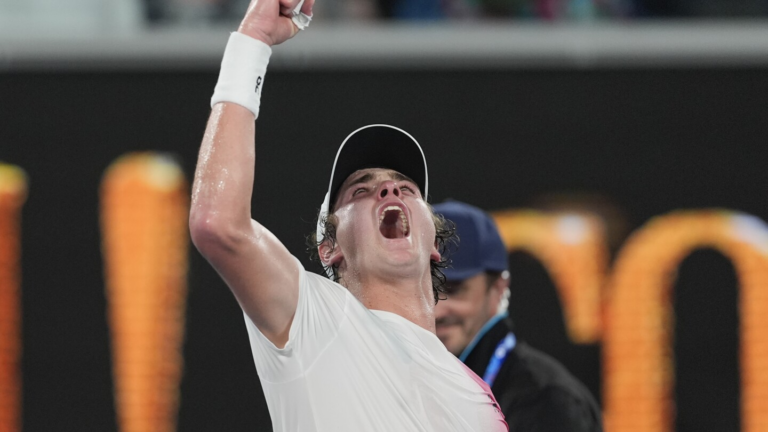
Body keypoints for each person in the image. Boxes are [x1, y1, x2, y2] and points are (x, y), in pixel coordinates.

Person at [188, 0, 508, 430]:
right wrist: (254, 41)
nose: (389, 189)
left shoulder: (478, 397)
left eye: (405, 187)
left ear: (434, 242)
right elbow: (217, 225)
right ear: (330, 248)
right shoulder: (316, 320)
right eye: (361, 190)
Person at [433, 200, 603, 432]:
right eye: (424, 288)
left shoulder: (547, 401)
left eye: (454, 290)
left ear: (498, 289)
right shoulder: (411, 384)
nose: (437, 309)